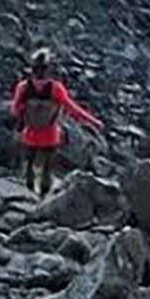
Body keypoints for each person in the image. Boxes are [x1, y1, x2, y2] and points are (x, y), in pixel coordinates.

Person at [11, 46, 102, 195]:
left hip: (30, 134)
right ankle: (44, 195)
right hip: (50, 135)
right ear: (48, 69)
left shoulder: (23, 87)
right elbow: (73, 109)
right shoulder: (55, 88)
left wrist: (26, 111)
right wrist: (94, 121)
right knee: (47, 166)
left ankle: (28, 189)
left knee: (30, 165)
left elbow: (15, 110)